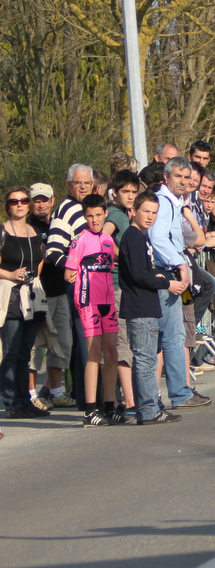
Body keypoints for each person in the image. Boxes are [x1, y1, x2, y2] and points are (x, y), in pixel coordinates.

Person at [149, 157, 211, 409]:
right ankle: (175, 395)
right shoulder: (163, 202)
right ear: (166, 178)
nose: (184, 182)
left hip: (169, 271)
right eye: (178, 177)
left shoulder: (174, 202)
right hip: (164, 273)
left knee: (171, 336)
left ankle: (177, 392)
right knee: (171, 337)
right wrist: (181, 264)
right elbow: (157, 237)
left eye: (187, 178)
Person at [119, 191, 185, 425]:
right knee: (146, 359)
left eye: (154, 212)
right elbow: (137, 275)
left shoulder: (142, 237)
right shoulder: (133, 236)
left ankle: (148, 406)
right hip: (140, 306)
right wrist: (166, 282)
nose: (150, 216)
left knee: (146, 358)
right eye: (145, 211)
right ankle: (148, 410)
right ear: (133, 211)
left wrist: (154, 274)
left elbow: (142, 271)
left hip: (147, 305)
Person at [64, 194, 120, 426]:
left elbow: (119, 258)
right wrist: (80, 277)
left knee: (112, 353)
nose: (95, 220)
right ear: (84, 216)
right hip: (88, 302)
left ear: (105, 214)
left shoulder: (108, 239)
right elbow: (68, 273)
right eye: (90, 216)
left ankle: (109, 405)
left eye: (98, 215)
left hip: (108, 301)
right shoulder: (80, 240)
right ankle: (89, 409)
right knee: (94, 354)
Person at [45, 163, 95, 410]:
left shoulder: (89, 209)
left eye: (87, 182)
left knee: (88, 340)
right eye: (78, 182)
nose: (83, 186)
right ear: (68, 185)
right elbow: (53, 251)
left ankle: (87, 393)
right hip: (78, 286)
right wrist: (73, 266)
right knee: (86, 339)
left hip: (96, 284)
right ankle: (88, 400)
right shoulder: (66, 210)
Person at [25, 182, 74, 408]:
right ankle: (32, 395)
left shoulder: (59, 223)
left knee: (61, 343)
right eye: (37, 200)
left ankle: (55, 391)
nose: (41, 203)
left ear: (53, 201)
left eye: (45, 199)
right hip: (35, 293)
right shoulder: (26, 227)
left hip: (59, 291)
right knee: (35, 347)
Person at [1, 187, 47, 420]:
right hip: (10, 296)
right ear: (7, 206)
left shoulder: (35, 232)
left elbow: (40, 261)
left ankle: (25, 401)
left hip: (32, 297)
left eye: (23, 200)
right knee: (11, 351)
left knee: (25, 352)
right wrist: (10, 275)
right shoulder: (2, 232)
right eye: (14, 201)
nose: (19, 204)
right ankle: (11, 403)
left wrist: (33, 278)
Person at [103, 170, 141, 422]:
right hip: (115, 286)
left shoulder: (125, 213)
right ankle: (129, 403)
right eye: (125, 191)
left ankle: (122, 399)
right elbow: (103, 235)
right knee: (123, 343)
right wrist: (119, 255)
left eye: (133, 192)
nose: (129, 196)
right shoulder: (115, 213)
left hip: (124, 286)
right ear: (115, 192)